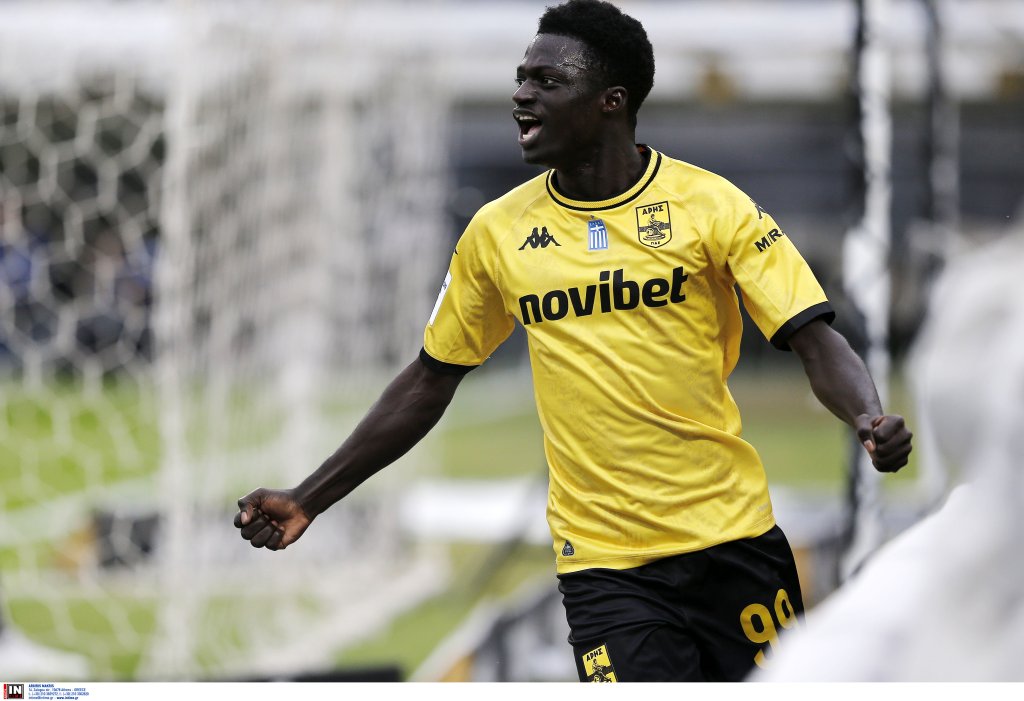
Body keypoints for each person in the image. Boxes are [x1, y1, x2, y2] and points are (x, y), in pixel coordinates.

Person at [235, 0, 912, 682]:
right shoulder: (496, 233)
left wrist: (867, 417)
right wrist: (310, 496)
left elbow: (812, 335)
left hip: (732, 542)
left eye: (547, 81)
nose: (521, 94)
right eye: (521, 78)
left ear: (611, 101)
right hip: (604, 568)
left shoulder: (713, 207)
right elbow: (429, 379)